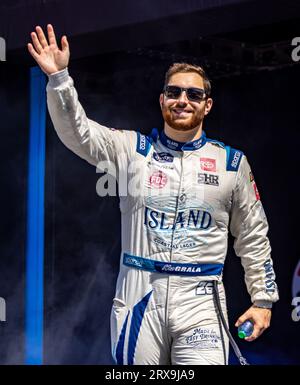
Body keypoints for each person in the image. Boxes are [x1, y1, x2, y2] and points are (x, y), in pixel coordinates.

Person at [28, 24, 279, 365]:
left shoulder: (232, 163)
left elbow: (253, 234)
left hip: (201, 298)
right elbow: (79, 133)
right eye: (174, 92)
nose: (182, 101)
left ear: (207, 105)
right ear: (162, 100)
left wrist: (262, 300)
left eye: (193, 95)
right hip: (140, 289)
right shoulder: (133, 149)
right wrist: (59, 78)